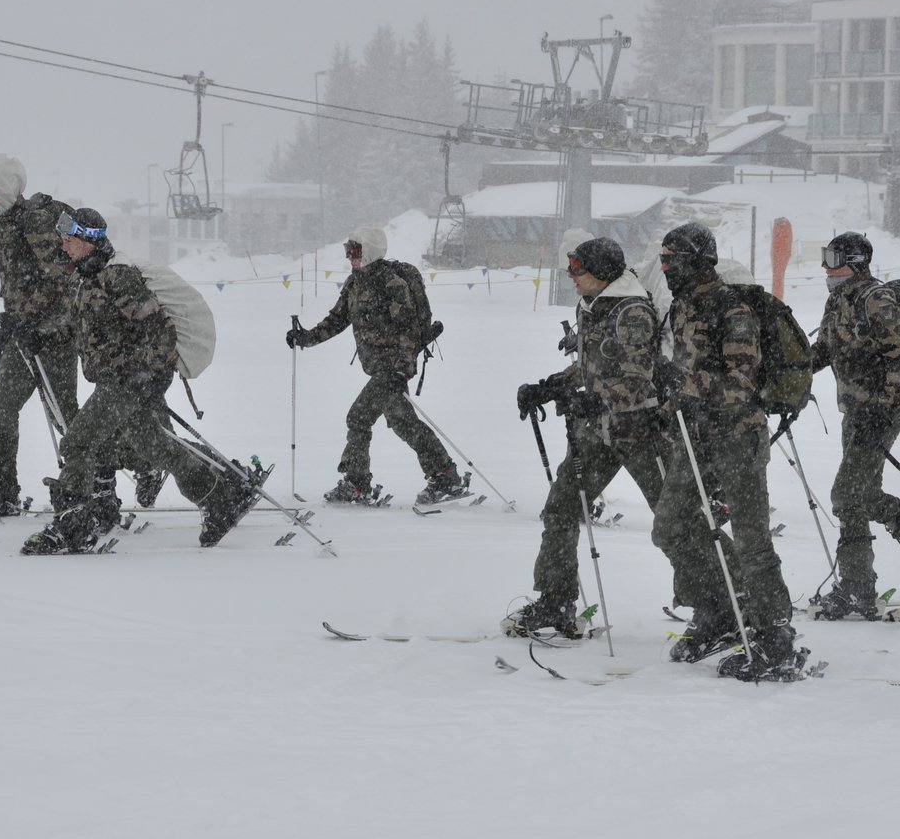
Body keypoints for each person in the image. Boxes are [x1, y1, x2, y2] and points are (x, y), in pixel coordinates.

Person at [21, 209, 258, 554]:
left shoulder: (117, 277)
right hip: (118, 379)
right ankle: (220, 496)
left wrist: (146, 375)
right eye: (63, 237)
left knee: (78, 442)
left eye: (70, 238)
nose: (64, 244)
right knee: (156, 447)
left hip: (131, 379)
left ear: (90, 241)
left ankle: (73, 523)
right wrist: (35, 335)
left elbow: (158, 329)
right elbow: (76, 327)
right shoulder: (86, 279)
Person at [506, 236, 695, 637]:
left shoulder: (632, 312)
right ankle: (555, 601)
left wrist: (593, 401)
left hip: (642, 431)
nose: (571, 277)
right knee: (561, 508)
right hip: (599, 432)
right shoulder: (591, 305)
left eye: (578, 269)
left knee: (676, 521)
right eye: (570, 268)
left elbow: (639, 379)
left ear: (602, 273)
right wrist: (550, 385)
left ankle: (722, 601)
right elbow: (592, 366)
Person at [651, 223, 804, 681]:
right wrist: (665, 401)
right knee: (671, 526)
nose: (666, 269)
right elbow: (685, 374)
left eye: (672, 260)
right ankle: (718, 608)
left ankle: (775, 637)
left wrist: (683, 383)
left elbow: (742, 384)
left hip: (737, 437)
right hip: (693, 435)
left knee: (753, 538)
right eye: (663, 261)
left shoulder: (733, 309)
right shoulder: (681, 306)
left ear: (698, 261)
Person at [810, 232, 900, 619]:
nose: (825, 265)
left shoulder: (876, 299)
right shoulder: (838, 300)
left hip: (880, 410)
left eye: (833, 257)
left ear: (855, 261)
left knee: (846, 495)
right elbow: (824, 350)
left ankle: (857, 587)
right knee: (863, 494)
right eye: (825, 256)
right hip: (855, 410)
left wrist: (885, 405)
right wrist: (782, 373)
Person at [286, 225, 461, 507]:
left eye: (355, 251)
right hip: (380, 369)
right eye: (348, 251)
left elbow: (408, 331)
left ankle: (357, 483)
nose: (350, 257)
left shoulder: (391, 284)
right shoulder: (355, 284)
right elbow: (336, 321)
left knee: (358, 418)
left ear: (370, 252)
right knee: (404, 422)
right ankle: (444, 474)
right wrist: (305, 337)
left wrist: (400, 370)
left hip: (391, 369)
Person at [0, 155, 78, 517]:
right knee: (1, 408)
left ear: (5, 189)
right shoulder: (9, 225)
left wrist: (35, 324)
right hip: (26, 339)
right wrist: (12, 322)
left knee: (69, 421)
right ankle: (1, 490)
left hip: (54, 338)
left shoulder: (35, 223)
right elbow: (26, 287)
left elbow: (63, 280)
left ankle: (95, 484)